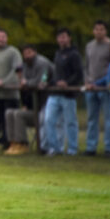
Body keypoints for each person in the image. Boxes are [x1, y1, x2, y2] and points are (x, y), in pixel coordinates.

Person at [4, 44, 53, 155]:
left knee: (18, 115)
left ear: (35, 52)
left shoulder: (42, 63)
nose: (27, 55)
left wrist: (27, 83)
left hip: (44, 105)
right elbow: (24, 83)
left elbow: (41, 81)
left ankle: (22, 143)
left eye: (29, 52)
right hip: (32, 106)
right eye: (25, 53)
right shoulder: (25, 65)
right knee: (9, 112)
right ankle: (13, 142)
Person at [43, 28, 84, 156]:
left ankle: (72, 148)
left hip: (68, 95)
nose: (62, 39)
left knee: (70, 121)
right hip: (55, 93)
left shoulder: (74, 54)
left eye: (64, 37)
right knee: (49, 120)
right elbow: (55, 73)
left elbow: (79, 74)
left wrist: (68, 83)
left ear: (69, 38)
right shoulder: (57, 54)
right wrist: (49, 83)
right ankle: (55, 147)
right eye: (60, 37)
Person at [83, 20, 110, 156]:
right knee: (91, 118)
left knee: (108, 118)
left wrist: (105, 81)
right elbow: (86, 65)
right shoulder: (89, 46)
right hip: (91, 87)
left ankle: (109, 147)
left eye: (101, 29)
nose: (99, 32)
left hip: (104, 87)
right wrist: (87, 81)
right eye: (96, 29)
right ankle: (91, 147)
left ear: (105, 31)